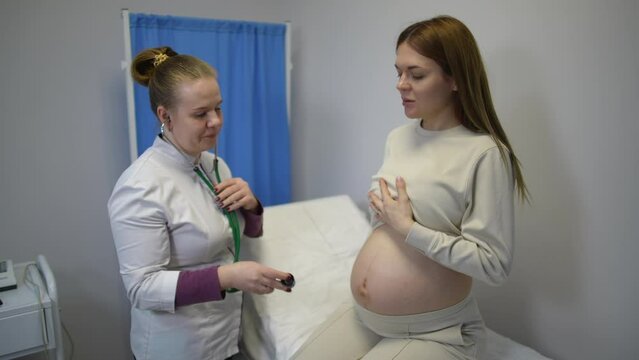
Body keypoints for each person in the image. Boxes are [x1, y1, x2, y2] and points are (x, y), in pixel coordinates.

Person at [292, 15, 528, 360]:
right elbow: (384, 221)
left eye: (416, 75)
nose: (401, 84)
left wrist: (410, 229)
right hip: (367, 316)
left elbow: (493, 264)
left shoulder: (485, 154)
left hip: (437, 330)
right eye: (398, 72)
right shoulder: (399, 138)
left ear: (455, 80)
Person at [108, 46, 294, 360]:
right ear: (165, 116)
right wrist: (228, 276)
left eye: (218, 108)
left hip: (226, 335)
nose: (216, 122)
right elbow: (141, 288)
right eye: (200, 114)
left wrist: (252, 207)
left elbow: (244, 234)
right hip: (178, 346)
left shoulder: (214, 166)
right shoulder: (139, 186)